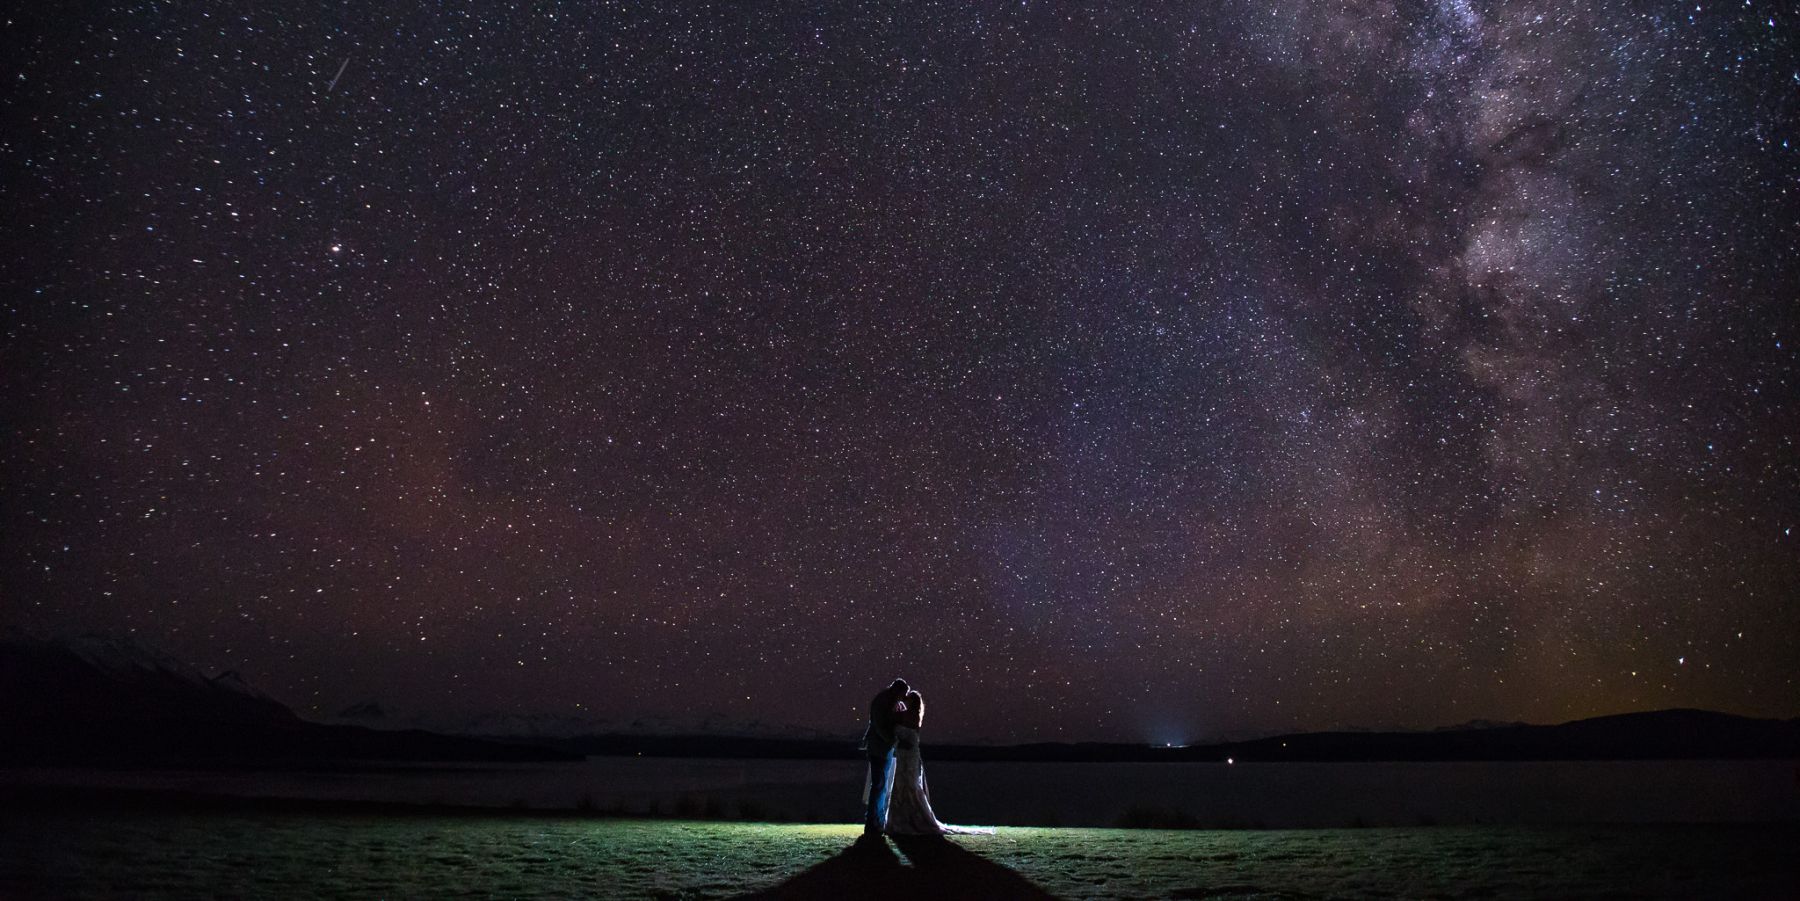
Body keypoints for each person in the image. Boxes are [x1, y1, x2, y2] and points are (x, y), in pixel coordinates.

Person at [884, 689, 993, 836]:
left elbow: (902, 732)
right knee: (900, 786)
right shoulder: (907, 714)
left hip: (909, 757)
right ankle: (899, 820)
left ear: (913, 702)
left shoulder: (910, 716)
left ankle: (910, 820)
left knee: (908, 786)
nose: (905, 700)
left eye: (908, 699)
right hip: (904, 756)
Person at [860, 678, 908, 834]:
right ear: (897, 690)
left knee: (881, 785)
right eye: (902, 694)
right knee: (879, 785)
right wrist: (892, 740)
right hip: (878, 748)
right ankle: (873, 822)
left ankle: (877, 820)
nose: (903, 698)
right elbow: (879, 725)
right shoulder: (882, 701)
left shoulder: (890, 701)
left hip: (884, 749)